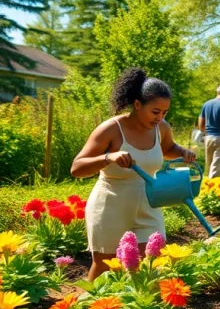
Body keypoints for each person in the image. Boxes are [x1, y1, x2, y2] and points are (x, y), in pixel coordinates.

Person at [71, 68, 196, 281]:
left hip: (149, 203)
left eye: (165, 113)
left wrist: (183, 152)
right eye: (155, 112)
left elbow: (167, 149)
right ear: (137, 104)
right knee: (105, 266)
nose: (160, 118)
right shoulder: (110, 129)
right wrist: (108, 158)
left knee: (150, 261)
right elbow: (77, 168)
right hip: (111, 204)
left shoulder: (161, 128)